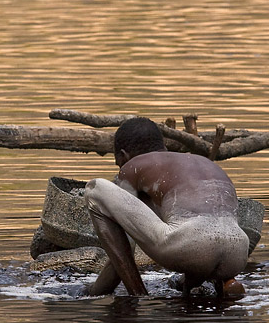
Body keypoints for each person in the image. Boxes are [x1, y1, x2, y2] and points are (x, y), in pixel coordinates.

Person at [82, 117, 249, 298]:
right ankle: (225, 283)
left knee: (95, 189)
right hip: (238, 251)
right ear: (163, 147)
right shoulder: (203, 163)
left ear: (123, 156)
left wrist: (93, 292)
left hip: (190, 245)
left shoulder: (133, 167)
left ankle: (138, 294)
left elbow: (126, 242)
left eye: (118, 163)